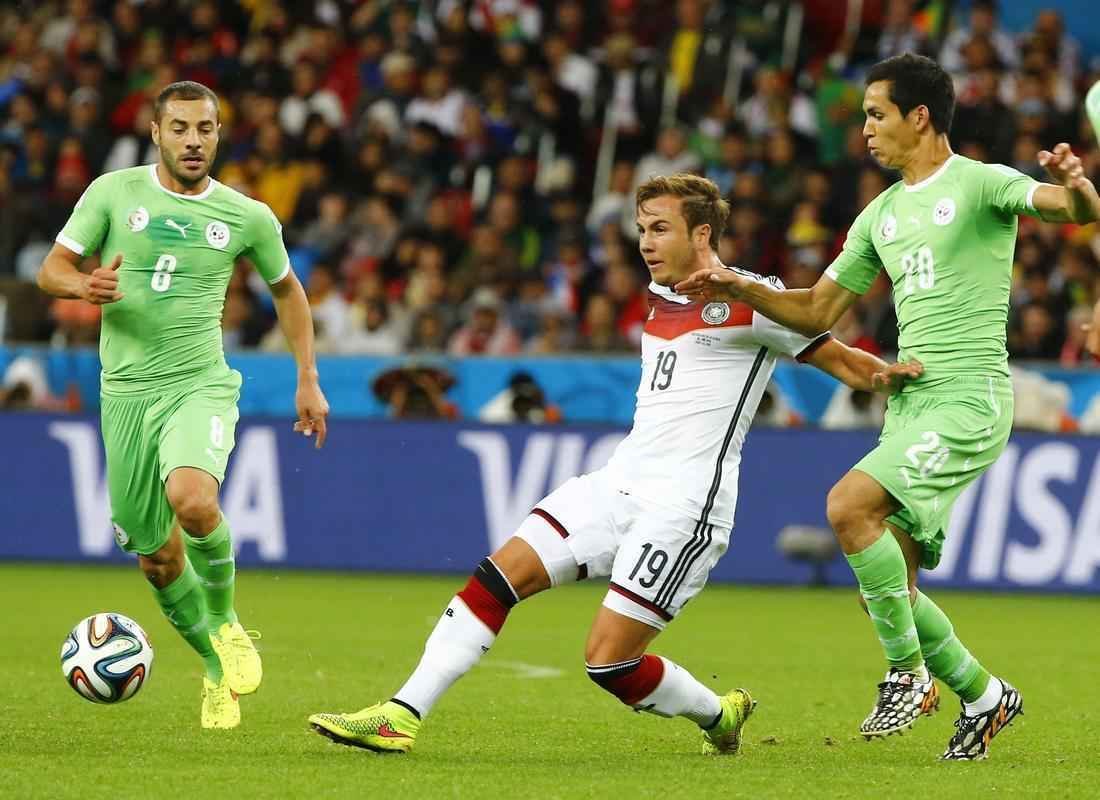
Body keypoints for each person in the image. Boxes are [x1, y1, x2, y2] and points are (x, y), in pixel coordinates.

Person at [308, 174, 922, 755]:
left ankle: (718, 713)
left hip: (686, 508)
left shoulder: (751, 299)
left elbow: (840, 358)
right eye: (641, 229)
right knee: (495, 579)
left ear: (701, 234)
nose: (646, 243)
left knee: (608, 661)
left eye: (660, 228)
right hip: (617, 482)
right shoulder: (659, 298)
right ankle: (401, 714)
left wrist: (893, 380)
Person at [676, 53, 1100, 760]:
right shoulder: (880, 215)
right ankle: (987, 697)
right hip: (910, 403)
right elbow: (815, 308)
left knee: (848, 505)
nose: (865, 130)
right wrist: (734, 283)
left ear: (919, 116)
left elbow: (1070, 212)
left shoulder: (980, 183)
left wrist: (1078, 187)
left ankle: (908, 675)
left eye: (876, 114)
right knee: (886, 587)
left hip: (968, 399)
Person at [36, 81, 330, 729]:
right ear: (156, 132)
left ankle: (225, 622)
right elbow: (51, 268)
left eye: (205, 129)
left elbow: (288, 292)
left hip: (200, 383)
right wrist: (85, 286)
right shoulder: (113, 193)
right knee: (157, 557)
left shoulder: (247, 216)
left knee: (194, 500)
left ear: (218, 135)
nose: (193, 140)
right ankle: (213, 667)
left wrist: (307, 376)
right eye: (180, 128)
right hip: (127, 396)